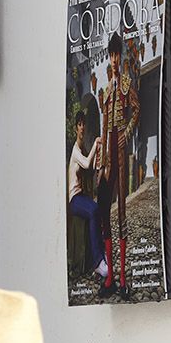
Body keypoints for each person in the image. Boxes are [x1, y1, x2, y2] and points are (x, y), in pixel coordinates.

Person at [98, 32, 139, 297]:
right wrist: (102, 163)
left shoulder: (125, 84)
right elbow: (103, 126)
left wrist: (128, 131)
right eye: (111, 55)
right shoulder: (105, 89)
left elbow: (136, 108)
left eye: (116, 55)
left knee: (122, 211)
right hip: (109, 158)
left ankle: (122, 278)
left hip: (121, 151)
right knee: (104, 213)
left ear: (120, 57)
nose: (114, 59)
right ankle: (110, 277)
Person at [68, 110, 106, 278]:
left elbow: (89, 169)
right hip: (74, 199)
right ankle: (98, 262)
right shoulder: (76, 151)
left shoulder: (82, 148)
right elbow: (85, 163)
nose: (82, 128)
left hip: (81, 196)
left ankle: (99, 255)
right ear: (76, 127)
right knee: (93, 211)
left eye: (84, 124)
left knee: (96, 209)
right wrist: (97, 143)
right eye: (79, 125)